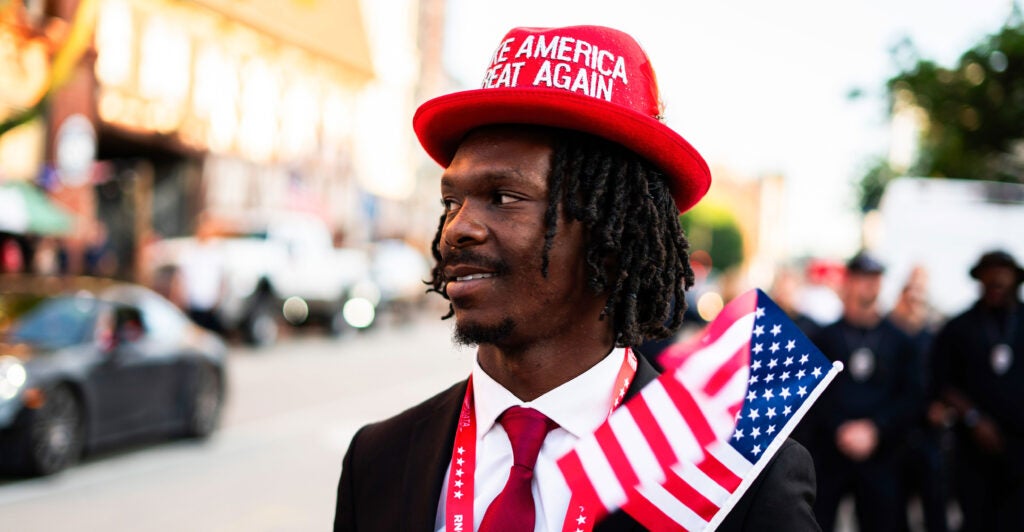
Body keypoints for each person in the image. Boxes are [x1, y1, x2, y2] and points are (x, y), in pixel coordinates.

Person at [334, 25, 818, 531]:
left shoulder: (737, 481)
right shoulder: (378, 458)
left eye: (504, 197)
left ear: (614, 237)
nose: (458, 228)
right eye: (452, 201)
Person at [802, 251, 922, 532]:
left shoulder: (900, 340)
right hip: (830, 453)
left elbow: (912, 394)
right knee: (817, 522)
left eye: (874, 278)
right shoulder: (825, 338)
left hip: (881, 454)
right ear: (848, 282)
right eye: (861, 278)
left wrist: (876, 429)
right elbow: (813, 394)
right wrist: (839, 428)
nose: (868, 285)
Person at [931, 250, 1024, 532]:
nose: (996, 279)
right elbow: (941, 381)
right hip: (972, 447)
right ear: (979, 279)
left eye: (1003, 272)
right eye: (989, 273)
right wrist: (973, 417)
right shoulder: (958, 327)